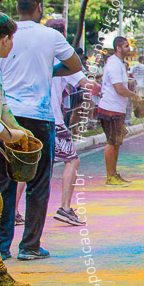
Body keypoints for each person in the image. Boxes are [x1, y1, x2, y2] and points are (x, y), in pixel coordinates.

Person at [0, 0, 82, 259]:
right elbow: (74, 65)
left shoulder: (4, 34)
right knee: (38, 183)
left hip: (5, 117)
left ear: (18, 6)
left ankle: (1, 247)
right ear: (40, 8)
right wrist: (50, 70)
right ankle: (30, 246)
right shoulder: (51, 35)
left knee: (5, 182)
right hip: (39, 117)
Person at [0, 12, 36, 286]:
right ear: (5, 39)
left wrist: (19, 130)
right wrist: (10, 136)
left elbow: (2, 107)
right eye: (12, 40)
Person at [51, 63, 96, 225]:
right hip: (51, 120)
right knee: (72, 160)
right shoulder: (60, 59)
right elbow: (87, 84)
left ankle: (13, 211)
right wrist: (98, 87)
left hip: (23, 118)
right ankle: (65, 208)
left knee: (28, 164)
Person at [98, 37, 138, 188]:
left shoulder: (119, 63)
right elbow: (119, 88)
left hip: (117, 109)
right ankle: (110, 176)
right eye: (126, 46)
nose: (129, 48)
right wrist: (134, 96)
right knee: (112, 142)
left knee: (117, 142)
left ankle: (114, 174)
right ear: (118, 48)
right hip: (110, 109)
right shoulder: (114, 64)